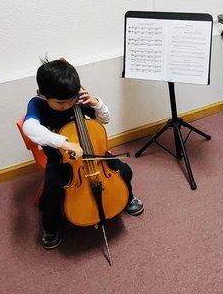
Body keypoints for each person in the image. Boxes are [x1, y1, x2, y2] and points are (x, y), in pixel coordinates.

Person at [23, 58, 144, 250]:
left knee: (125, 171)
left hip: (94, 155)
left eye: (72, 100)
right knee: (51, 194)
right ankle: (51, 228)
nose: (68, 105)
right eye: (61, 103)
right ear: (42, 94)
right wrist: (64, 142)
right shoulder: (37, 105)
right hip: (61, 161)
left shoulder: (76, 99)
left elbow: (104, 119)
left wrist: (97, 104)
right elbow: (29, 127)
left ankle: (127, 197)